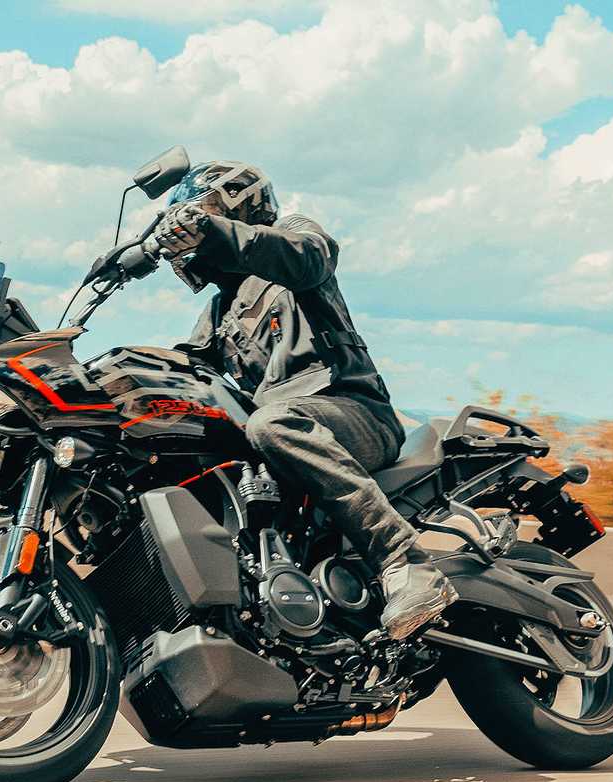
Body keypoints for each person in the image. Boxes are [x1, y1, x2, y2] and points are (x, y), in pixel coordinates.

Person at [150, 160, 455, 640]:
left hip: (355, 411)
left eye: (203, 215)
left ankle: (405, 560)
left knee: (271, 423)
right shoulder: (220, 308)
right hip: (290, 430)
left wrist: (212, 230)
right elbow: (188, 371)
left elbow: (307, 257)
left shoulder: (293, 238)